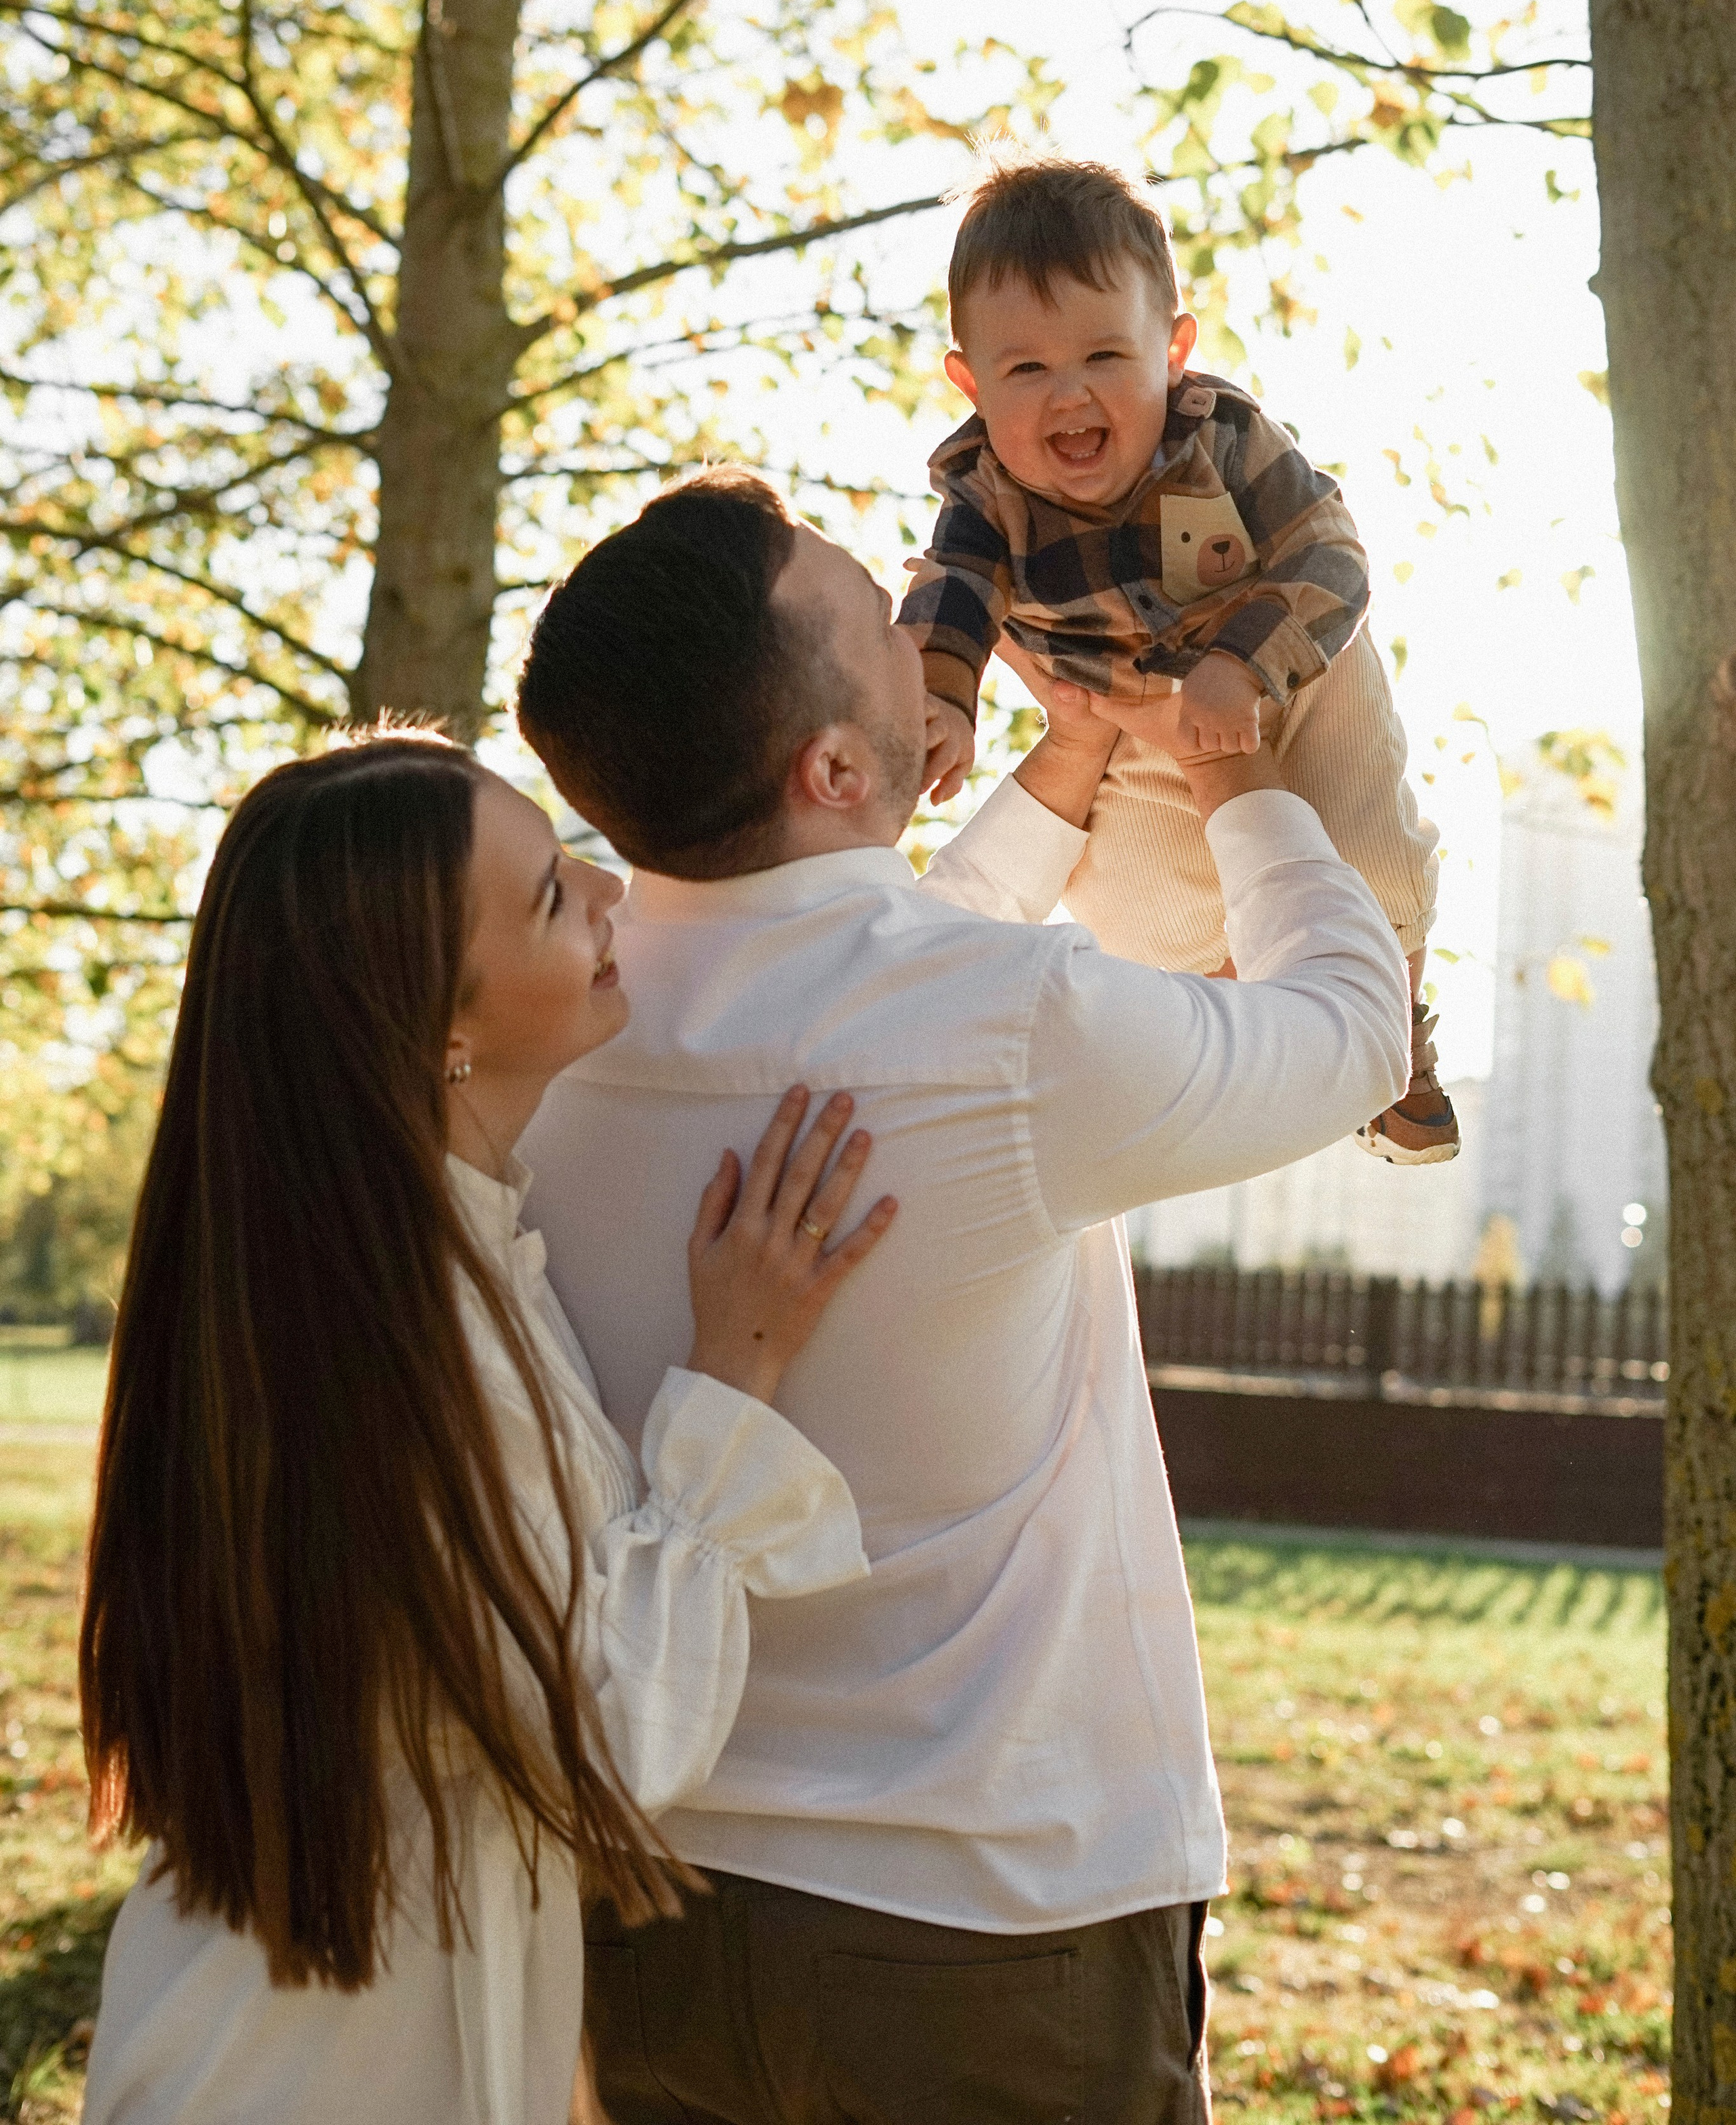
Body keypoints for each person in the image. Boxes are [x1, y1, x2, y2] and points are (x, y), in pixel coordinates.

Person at [514, 469, 1413, 2125]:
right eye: (886, 624)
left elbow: (869, 962)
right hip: (994, 1931)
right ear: (837, 767)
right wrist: (1247, 783)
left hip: (652, 1915)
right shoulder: (1007, 1027)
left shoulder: (553, 1033)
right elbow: (1351, 1029)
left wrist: (1055, 787)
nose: (940, 630)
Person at [78, 727, 903, 2125]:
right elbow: (607, 1744)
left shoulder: (388, 1269)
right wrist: (733, 1375)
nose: (606, 893)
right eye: (544, 895)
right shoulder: (405, 1337)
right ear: (437, 1025)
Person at [899, 152, 1457, 1164]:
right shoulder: (986, 496)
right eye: (1026, 369)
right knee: (1136, 906)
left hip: (1283, 669)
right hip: (1124, 712)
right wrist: (941, 699)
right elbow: (951, 597)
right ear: (972, 385)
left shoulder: (1227, 440)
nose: (1069, 396)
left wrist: (1243, 665)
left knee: (1363, 826)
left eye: (1106, 357)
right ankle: (1228, 1013)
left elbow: (1332, 553)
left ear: (1174, 352)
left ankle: (1395, 1016)